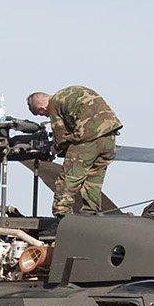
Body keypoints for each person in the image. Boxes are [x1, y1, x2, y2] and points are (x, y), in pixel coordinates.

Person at [26, 87, 122, 216]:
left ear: (42, 108)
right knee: (93, 180)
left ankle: (62, 216)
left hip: (88, 140)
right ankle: (90, 214)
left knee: (67, 180)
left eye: (42, 114)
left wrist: (55, 148)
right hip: (109, 138)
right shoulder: (71, 92)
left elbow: (60, 135)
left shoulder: (54, 103)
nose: (46, 116)